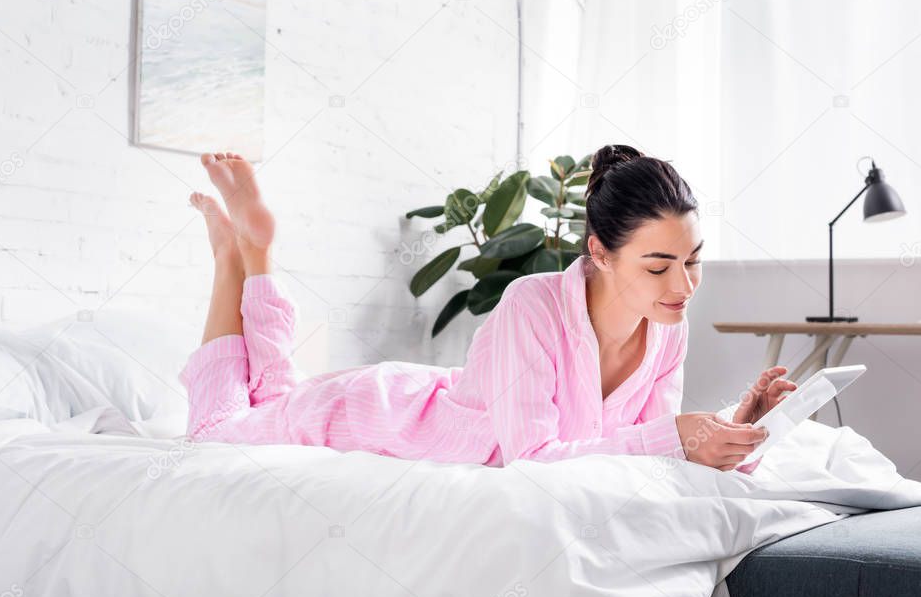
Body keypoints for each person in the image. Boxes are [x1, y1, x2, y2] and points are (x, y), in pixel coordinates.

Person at [180, 145, 796, 472]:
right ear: (601, 254)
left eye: (693, 262)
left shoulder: (668, 326)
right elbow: (534, 459)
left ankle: (250, 250)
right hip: (382, 415)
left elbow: (644, 453)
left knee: (271, 396)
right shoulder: (532, 302)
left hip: (432, 394)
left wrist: (728, 430)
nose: (684, 286)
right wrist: (674, 439)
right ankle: (235, 259)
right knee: (217, 435)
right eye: (659, 266)